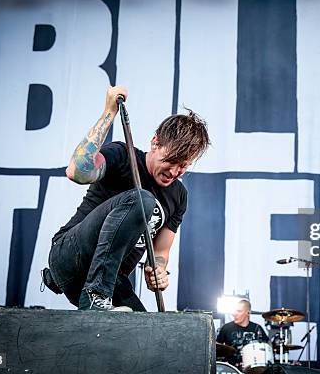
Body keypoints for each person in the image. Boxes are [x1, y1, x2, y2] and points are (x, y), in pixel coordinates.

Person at [46, 85, 209, 311]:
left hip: (111, 279)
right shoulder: (124, 156)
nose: (174, 172)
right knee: (143, 200)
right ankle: (96, 295)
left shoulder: (178, 196)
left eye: (183, 166)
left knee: (145, 336)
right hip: (70, 256)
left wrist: (159, 270)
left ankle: (98, 295)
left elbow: (161, 251)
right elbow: (77, 172)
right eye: (170, 161)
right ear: (155, 143)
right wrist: (109, 113)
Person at [217, 299, 269, 366]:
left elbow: (267, 347)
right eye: (234, 311)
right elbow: (217, 347)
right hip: (231, 368)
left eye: (239, 311)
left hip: (252, 367)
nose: (234, 314)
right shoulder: (226, 328)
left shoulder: (257, 328)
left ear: (248, 312)